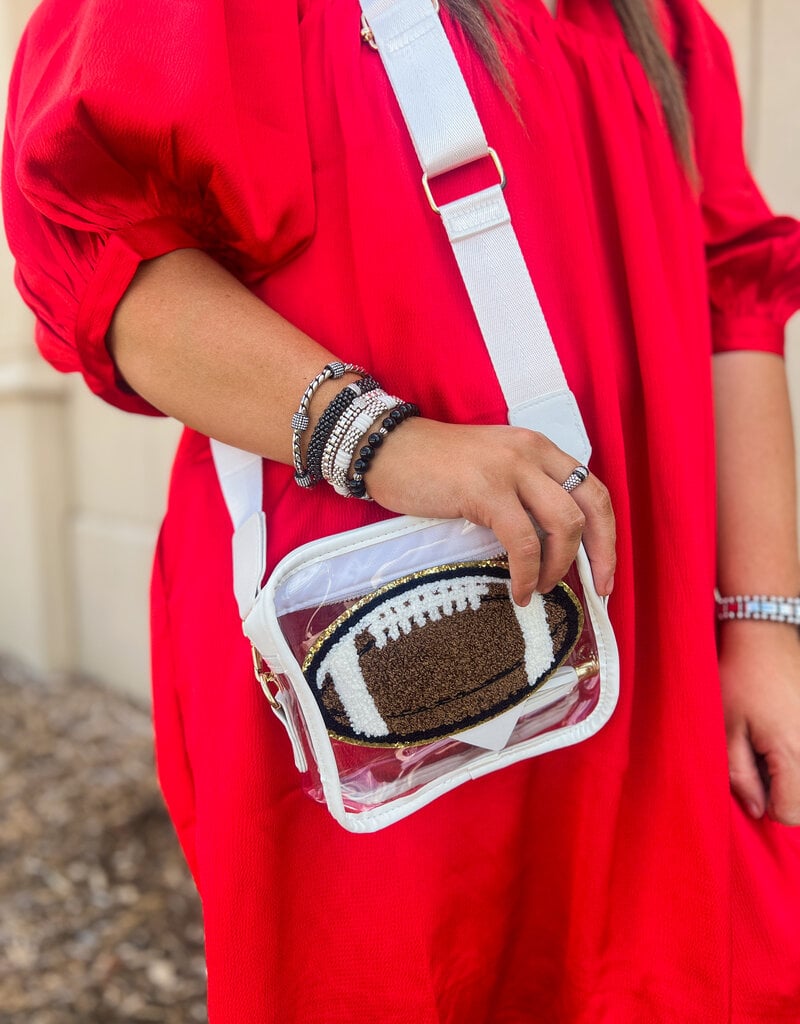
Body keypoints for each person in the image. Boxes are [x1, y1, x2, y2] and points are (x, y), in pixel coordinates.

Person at [4, 0, 800, 1019]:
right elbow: (106, 259)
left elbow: (731, 300)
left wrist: (762, 629)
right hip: (369, 638)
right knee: (406, 973)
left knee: (673, 965)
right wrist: (382, 441)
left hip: (648, 632)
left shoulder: (656, 21)